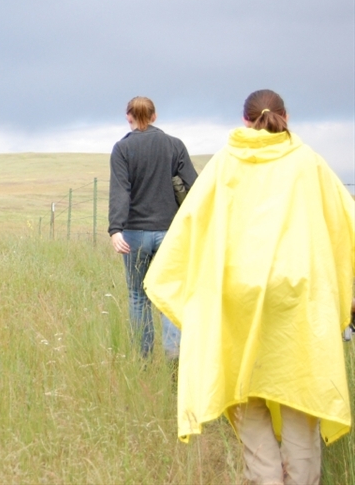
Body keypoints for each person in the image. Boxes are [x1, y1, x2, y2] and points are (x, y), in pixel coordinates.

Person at [144, 89, 354, 485]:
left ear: (245, 121)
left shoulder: (225, 164)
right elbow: (345, 223)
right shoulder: (308, 163)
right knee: (300, 395)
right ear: (285, 117)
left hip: (235, 297)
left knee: (246, 393)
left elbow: (190, 227)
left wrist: (175, 283)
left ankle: (266, 477)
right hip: (298, 299)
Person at [108, 96, 197, 361]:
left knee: (138, 296)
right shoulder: (174, 145)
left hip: (134, 234)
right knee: (169, 294)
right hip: (170, 234)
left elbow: (120, 191)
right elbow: (194, 185)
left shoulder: (122, 149)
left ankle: (143, 360)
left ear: (128, 116)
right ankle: (174, 357)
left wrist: (116, 230)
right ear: (155, 116)